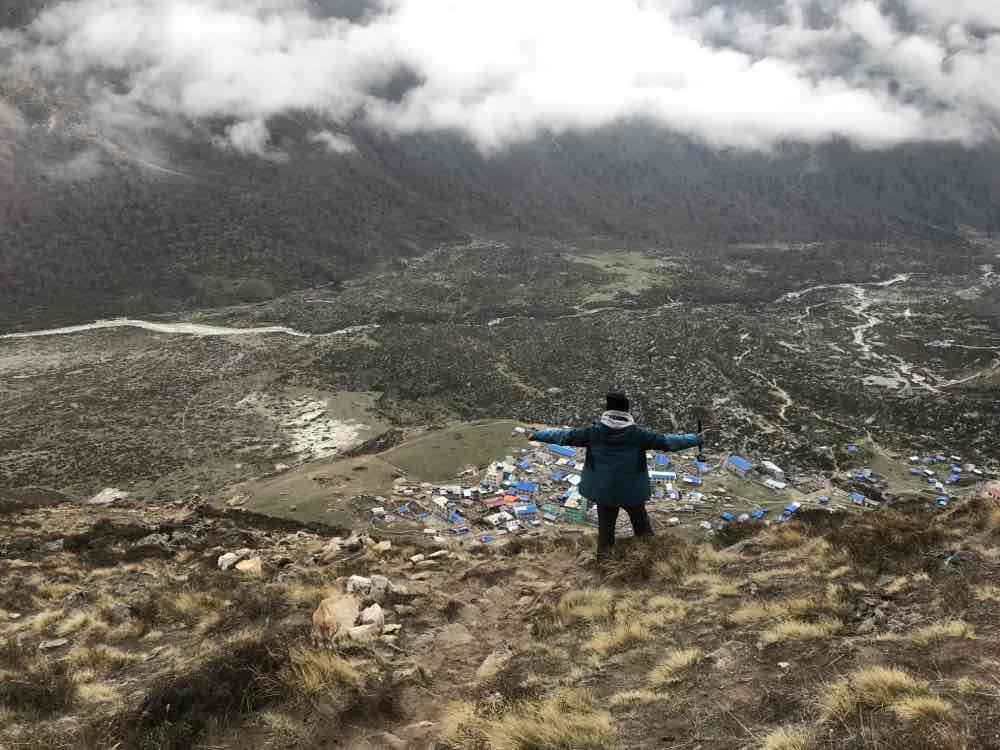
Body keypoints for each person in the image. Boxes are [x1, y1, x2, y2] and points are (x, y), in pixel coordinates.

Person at [529, 392, 703, 558]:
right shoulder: (638, 434)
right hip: (632, 492)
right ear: (626, 411)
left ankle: (604, 566)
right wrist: (695, 438)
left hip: (604, 493)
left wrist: (536, 434)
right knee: (642, 528)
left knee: (606, 535)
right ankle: (652, 559)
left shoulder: (593, 432)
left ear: (608, 410)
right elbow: (668, 442)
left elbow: (562, 435)